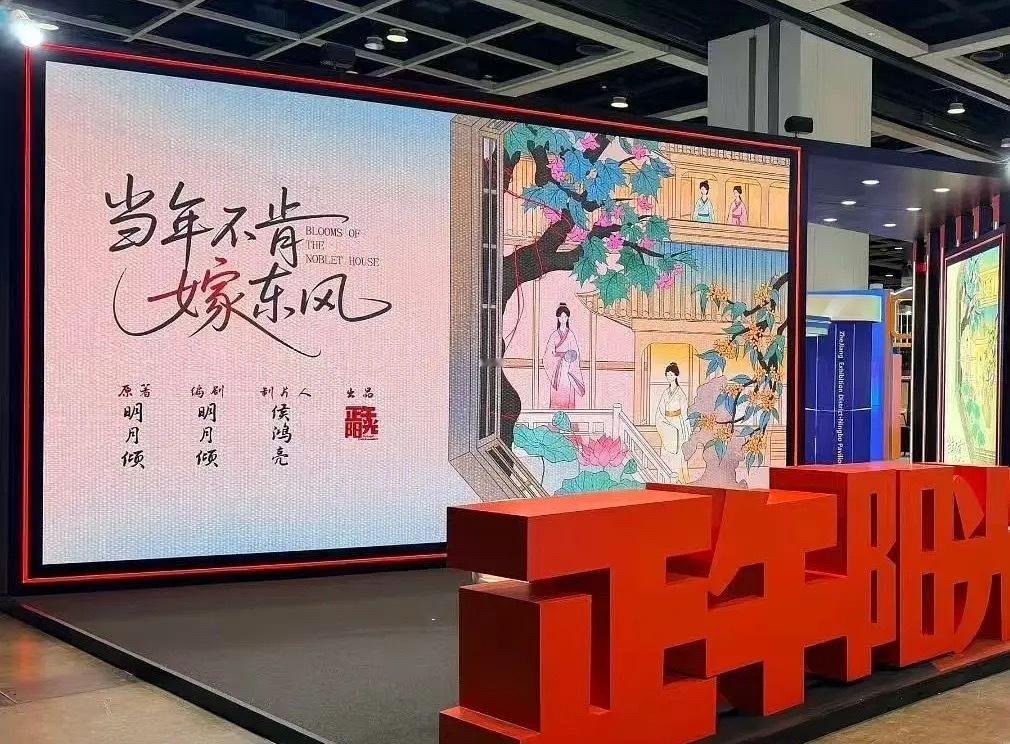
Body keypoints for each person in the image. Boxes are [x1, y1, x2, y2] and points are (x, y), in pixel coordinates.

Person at [542, 303, 585, 410]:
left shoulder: (570, 335)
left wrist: (569, 359)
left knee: (567, 390)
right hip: (557, 369)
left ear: (568, 318)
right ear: (558, 318)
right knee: (557, 394)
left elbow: (575, 353)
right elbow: (548, 354)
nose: (563, 319)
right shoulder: (554, 335)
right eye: (561, 316)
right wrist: (557, 358)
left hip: (568, 368)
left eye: (565, 316)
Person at [656, 362, 692, 483]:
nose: (669, 377)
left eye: (671, 375)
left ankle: (678, 478)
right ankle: (666, 478)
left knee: (678, 452)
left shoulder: (680, 393)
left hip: (677, 424)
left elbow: (685, 412)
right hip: (666, 424)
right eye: (667, 375)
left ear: (676, 376)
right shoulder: (665, 393)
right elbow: (660, 410)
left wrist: (686, 428)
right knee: (666, 450)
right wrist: (663, 422)